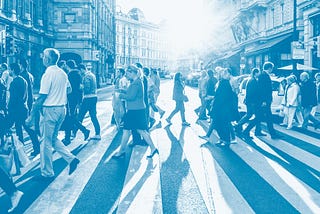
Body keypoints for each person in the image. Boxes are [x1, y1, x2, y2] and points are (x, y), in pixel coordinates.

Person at [30, 48, 80, 179]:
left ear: (47, 59)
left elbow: (41, 97)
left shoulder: (48, 74)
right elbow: (69, 90)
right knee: (53, 139)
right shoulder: (63, 73)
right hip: (61, 109)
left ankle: (47, 172)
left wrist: (31, 116)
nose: (42, 58)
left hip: (50, 110)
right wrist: (58, 94)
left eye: (44, 56)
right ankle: (71, 159)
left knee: (45, 142)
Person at [113, 65, 158, 158]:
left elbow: (131, 97)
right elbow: (132, 93)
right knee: (141, 131)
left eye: (127, 73)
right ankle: (153, 148)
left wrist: (120, 95)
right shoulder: (137, 82)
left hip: (134, 111)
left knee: (127, 130)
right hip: (138, 110)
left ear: (132, 72)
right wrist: (123, 90)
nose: (126, 75)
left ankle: (121, 151)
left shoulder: (136, 83)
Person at [7, 63, 40, 156]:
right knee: (22, 129)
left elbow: (13, 99)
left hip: (16, 109)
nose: (8, 71)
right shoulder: (23, 80)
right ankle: (25, 149)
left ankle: (27, 149)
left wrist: (8, 109)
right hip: (23, 108)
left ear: (13, 70)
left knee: (19, 128)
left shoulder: (14, 82)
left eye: (9, 69)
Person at [200, 68, 235, 146]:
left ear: (226, 75)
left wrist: (214, 101)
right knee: (219, 124)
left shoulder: (225, 83)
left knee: (223, 125)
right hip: (219, 108)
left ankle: (226, 140)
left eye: (223, 73)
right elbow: (219, 96)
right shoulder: (223, 82)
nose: (220, 74)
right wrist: (213, 98)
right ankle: (222, 139)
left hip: (222, 109)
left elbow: (223, 97)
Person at [63, 60, 90, 145]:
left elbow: (69, 87)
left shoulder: (71, 74)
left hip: (71, 98)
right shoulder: (78, 74)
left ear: (68, 66)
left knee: (70, 117)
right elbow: (80, 88)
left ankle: (83, 130)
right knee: (70, 117)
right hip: (75, 98)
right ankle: (68, 136)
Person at [77, 63, 101, 140]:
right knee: (93, 116)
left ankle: (75, 132)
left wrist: (81, 87)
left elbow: (87, 89)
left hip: (88, 98)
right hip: (94, 97)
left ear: (82, 69)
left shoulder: (86, 76)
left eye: (80, 71)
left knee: (80, 115)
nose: (80, 73)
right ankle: (98, 134)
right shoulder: (92, 75)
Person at [255, 62, 279, 139]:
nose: (272, 69)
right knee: (268, 117)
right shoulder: (264, 75)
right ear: (269, 68)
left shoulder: (263, 75)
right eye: (272, 68)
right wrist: (264, 101)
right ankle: (273, 134)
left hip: (264, 100)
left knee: (260, 116)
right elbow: (263, 89)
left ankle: (257, 131)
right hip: (264, 101)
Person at [236, 68, 260, 138]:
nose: (259, 74)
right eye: (258, 72)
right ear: (255, 73)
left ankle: (239, 126)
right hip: (252, 102)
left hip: (250, 101)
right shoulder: (253, 81)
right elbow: (252, 93)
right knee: (251, 116)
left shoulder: (251, 80)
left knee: (249, 115)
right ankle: (240, 127)